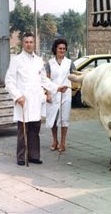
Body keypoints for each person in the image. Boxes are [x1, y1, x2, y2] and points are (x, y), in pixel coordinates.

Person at [5, 32, 67, 166]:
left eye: (31, 42)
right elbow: (9, 81)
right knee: (23, 130)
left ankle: (34, 155)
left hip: (35, 100)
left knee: (35, 130)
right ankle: (21, 157)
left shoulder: (39, 60)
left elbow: (44, 80)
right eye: (26, 42)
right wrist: (17, 96)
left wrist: (57, 87)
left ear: (34, 44)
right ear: (23, 43)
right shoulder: (16, 60)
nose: (29, 44)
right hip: (24, 100)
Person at [45, 38, 75, 152]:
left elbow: (74, 75)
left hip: (65, 95)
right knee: (53, 118)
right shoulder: (49, 63)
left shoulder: (69, 63)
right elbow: (46, 79)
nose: (62, 50)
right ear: (55, 49)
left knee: (64, 118)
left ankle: (62, 142)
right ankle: (54, 141)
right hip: (53, 94)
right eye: (60, 48)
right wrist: (47, 94)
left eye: (64, 48)